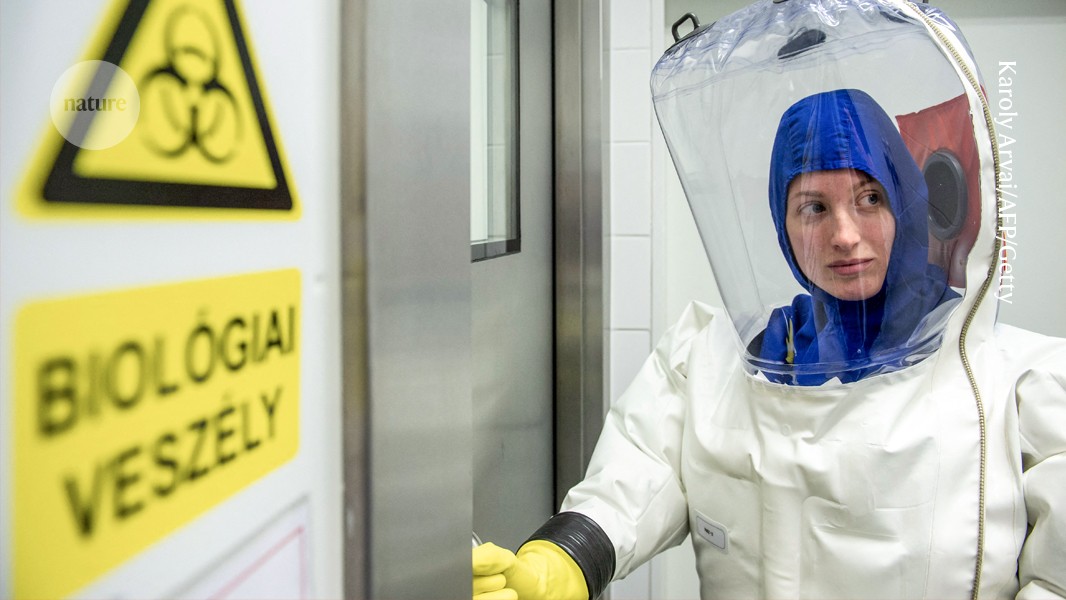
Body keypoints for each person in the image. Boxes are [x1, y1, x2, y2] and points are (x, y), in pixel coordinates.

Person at [473, 89, 1066, 599]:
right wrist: (563, 561)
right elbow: (633, 479)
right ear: (783, 227)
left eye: (869, 198)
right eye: (813, 207)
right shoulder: (714, 359)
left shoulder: (1016, 383)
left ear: (905, 203)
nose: (844, 235)